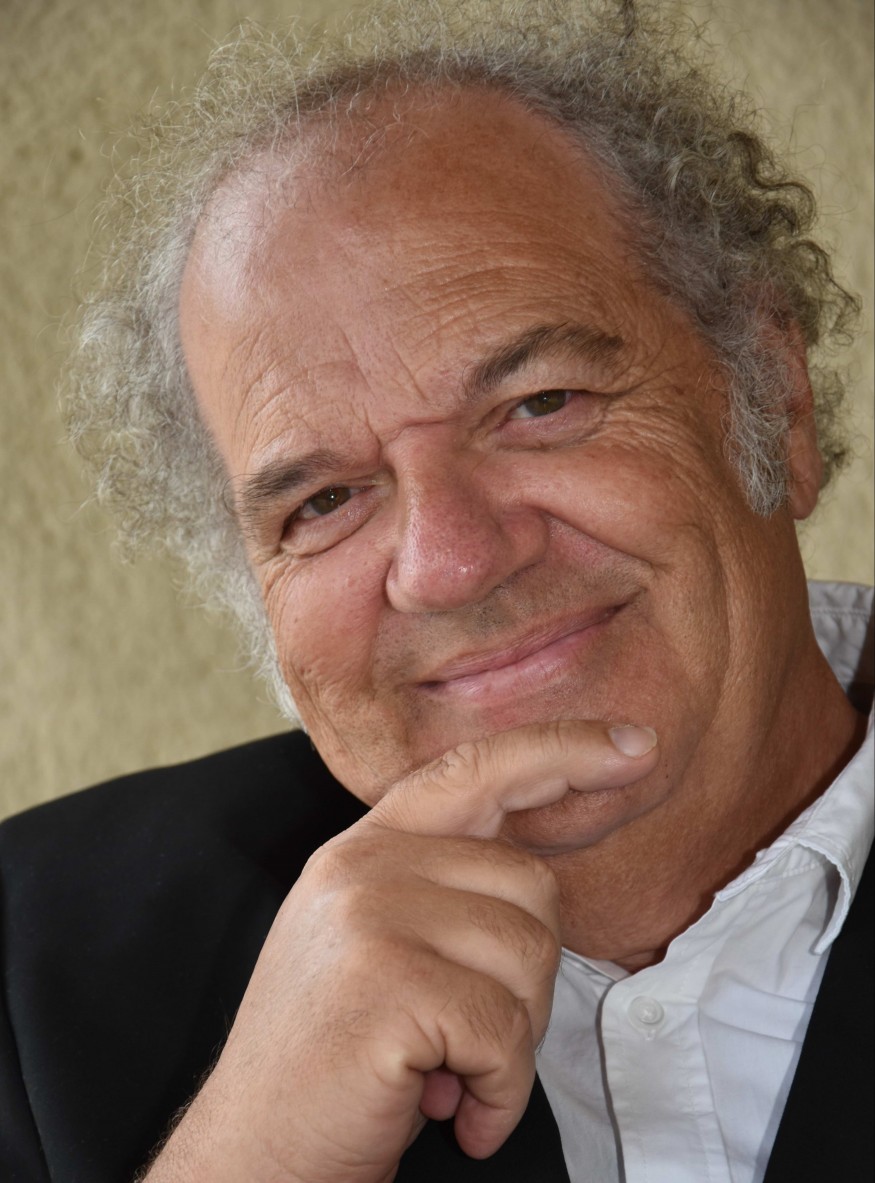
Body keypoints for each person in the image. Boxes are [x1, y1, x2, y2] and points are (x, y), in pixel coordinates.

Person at [1, 2, 871, 1181]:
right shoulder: (31, 964)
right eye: (323, 501)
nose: (451, 561)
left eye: (538, 404)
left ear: (773, 394)